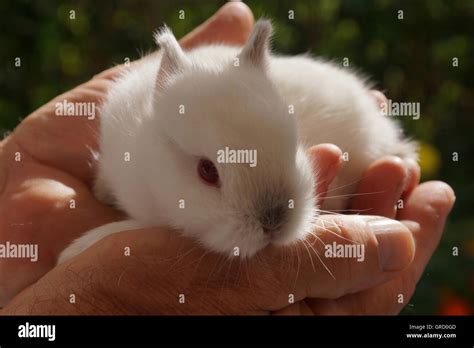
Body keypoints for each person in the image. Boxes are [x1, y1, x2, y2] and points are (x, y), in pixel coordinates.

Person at [0, 2, 455, 315]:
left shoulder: (277, 107)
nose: (273, 222)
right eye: (208, 173)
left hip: (353, 120)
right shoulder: (133, 138)